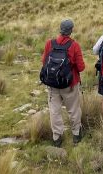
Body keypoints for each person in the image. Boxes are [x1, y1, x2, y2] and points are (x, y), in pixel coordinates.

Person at [41, 19, 85, 147]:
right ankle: (76, 134)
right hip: (70, 84)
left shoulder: (50, 43)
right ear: (71, 30)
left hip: (52, 84)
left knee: (54, 111)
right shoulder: (74, 45)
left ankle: (57, 137)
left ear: (60, 29)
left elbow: (44, 62)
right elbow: (81, 67)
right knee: (73, 110)